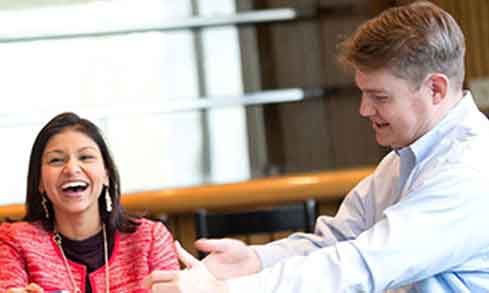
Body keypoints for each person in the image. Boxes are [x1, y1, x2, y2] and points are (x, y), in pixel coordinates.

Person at [143, 1, 489, 292]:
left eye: (379, 97)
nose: (364, 110)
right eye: (363, 94)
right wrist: (255, 260)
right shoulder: (405, 159)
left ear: (436, 90)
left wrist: (225, 291)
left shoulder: (469, 170)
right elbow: (335, 242)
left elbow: (362, 264)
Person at [0, 112, 179, 292]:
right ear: (39, 182)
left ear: (106, 174)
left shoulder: (150, 239)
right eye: (56, 160)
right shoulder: (14, 241)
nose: (71, 169)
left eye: (86, 157)